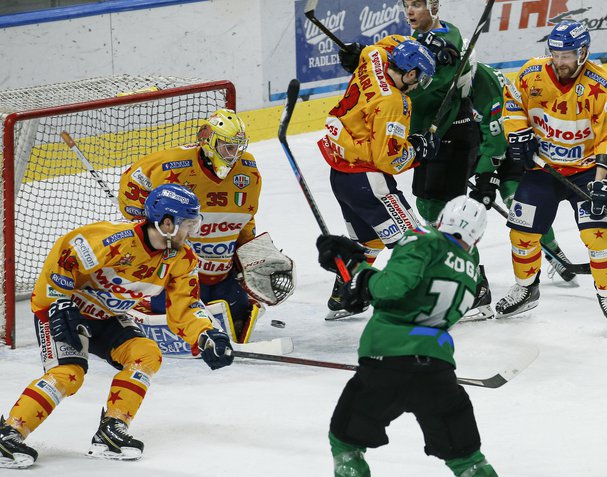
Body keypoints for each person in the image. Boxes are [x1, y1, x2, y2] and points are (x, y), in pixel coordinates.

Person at [0, 184, 234, 469]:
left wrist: (207, 333)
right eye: (187, 224)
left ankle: (112, 431)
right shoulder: (113, 240)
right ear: (167, 223)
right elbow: (64, 256)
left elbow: (185, 305)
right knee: (69, 373)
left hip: (107, 316)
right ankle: (9, 433)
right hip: (66, 311)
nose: (191, 231)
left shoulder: (181, 259)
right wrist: (58, 302)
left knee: (146, 353)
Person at [316, 196, 498, 477]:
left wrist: (359, 274)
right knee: (468, 461)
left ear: (440, 221)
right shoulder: (471, 267)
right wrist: (358, 270)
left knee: (346, 443)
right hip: (437, 370)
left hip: (385, 361)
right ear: (479, 236)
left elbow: (391, 288)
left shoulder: (425, 238)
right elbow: (418, 297)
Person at [119, 108, 295, 343]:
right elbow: (132, 187)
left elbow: (245, 220)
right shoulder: (171, 166)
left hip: (220, 273)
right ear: (209, 142)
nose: (234, 154)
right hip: (180, 272)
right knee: (172, 313)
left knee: (238, 316)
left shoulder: (248, 172)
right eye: (228, 146)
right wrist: (149, 224)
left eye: (238, 147)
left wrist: (249, 255)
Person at [496, 21, 607, 330]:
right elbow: (513, 104)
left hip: (585, 174)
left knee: (598, 237)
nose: (560, 62)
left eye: (567, 55)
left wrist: (602, 180)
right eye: (555, 54)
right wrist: (518, 134)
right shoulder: (532, 74)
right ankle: (526, 289)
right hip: (542, 170)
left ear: (583, 53)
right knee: (522, 233)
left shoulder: (604, 83)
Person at [318, 37, 442, 320]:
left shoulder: (374, 55)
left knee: (368, 241)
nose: (417, 85)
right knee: (413, 240)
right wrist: (419, 150)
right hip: (367, 180)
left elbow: (390, 42)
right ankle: (421, 303)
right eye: (418, 78)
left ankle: (345, 294)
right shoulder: (393, 102)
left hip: (340, 173)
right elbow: (388, 159)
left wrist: (429, 52)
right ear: (410, 73)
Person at [468, 62, 580, 284]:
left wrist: (485, 176)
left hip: (511, 143)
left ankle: (555, 253)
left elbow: (498, 141)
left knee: (518, 203)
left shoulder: (487, 87)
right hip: (479, 143)